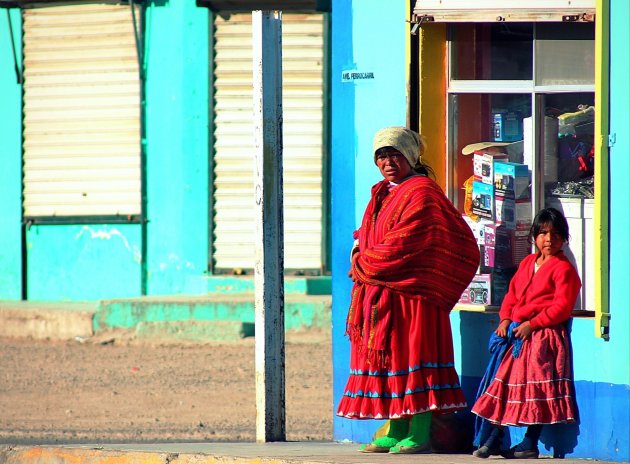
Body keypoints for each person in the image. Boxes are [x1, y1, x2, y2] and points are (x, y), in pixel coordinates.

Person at [336, 126, 480, 454]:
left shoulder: (423, 193)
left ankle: (420, 432)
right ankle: (395, 427)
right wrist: (362, 253)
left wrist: (362, 260)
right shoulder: (381, 193)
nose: (388, 161)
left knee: (416, 358)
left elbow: (403, 245)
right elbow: (369, 236)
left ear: (411, 157)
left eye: (394, 154)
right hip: (382, 298)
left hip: (415, 298)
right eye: (381, 156)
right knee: (390, 362)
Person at [471, 207, 582, 459]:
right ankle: (495, 437)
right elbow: (512, 294)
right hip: (518, 335)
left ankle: (529, 441)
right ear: (534, 236)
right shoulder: (527, 263)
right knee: (506, 385)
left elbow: (561, 307)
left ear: (564, 238)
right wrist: (505, 318)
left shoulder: (564, 269)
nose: (549, 239)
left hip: (544, 337)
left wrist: (533, 324)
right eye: (543, 233)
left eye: (555, 234)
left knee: (535, 390)